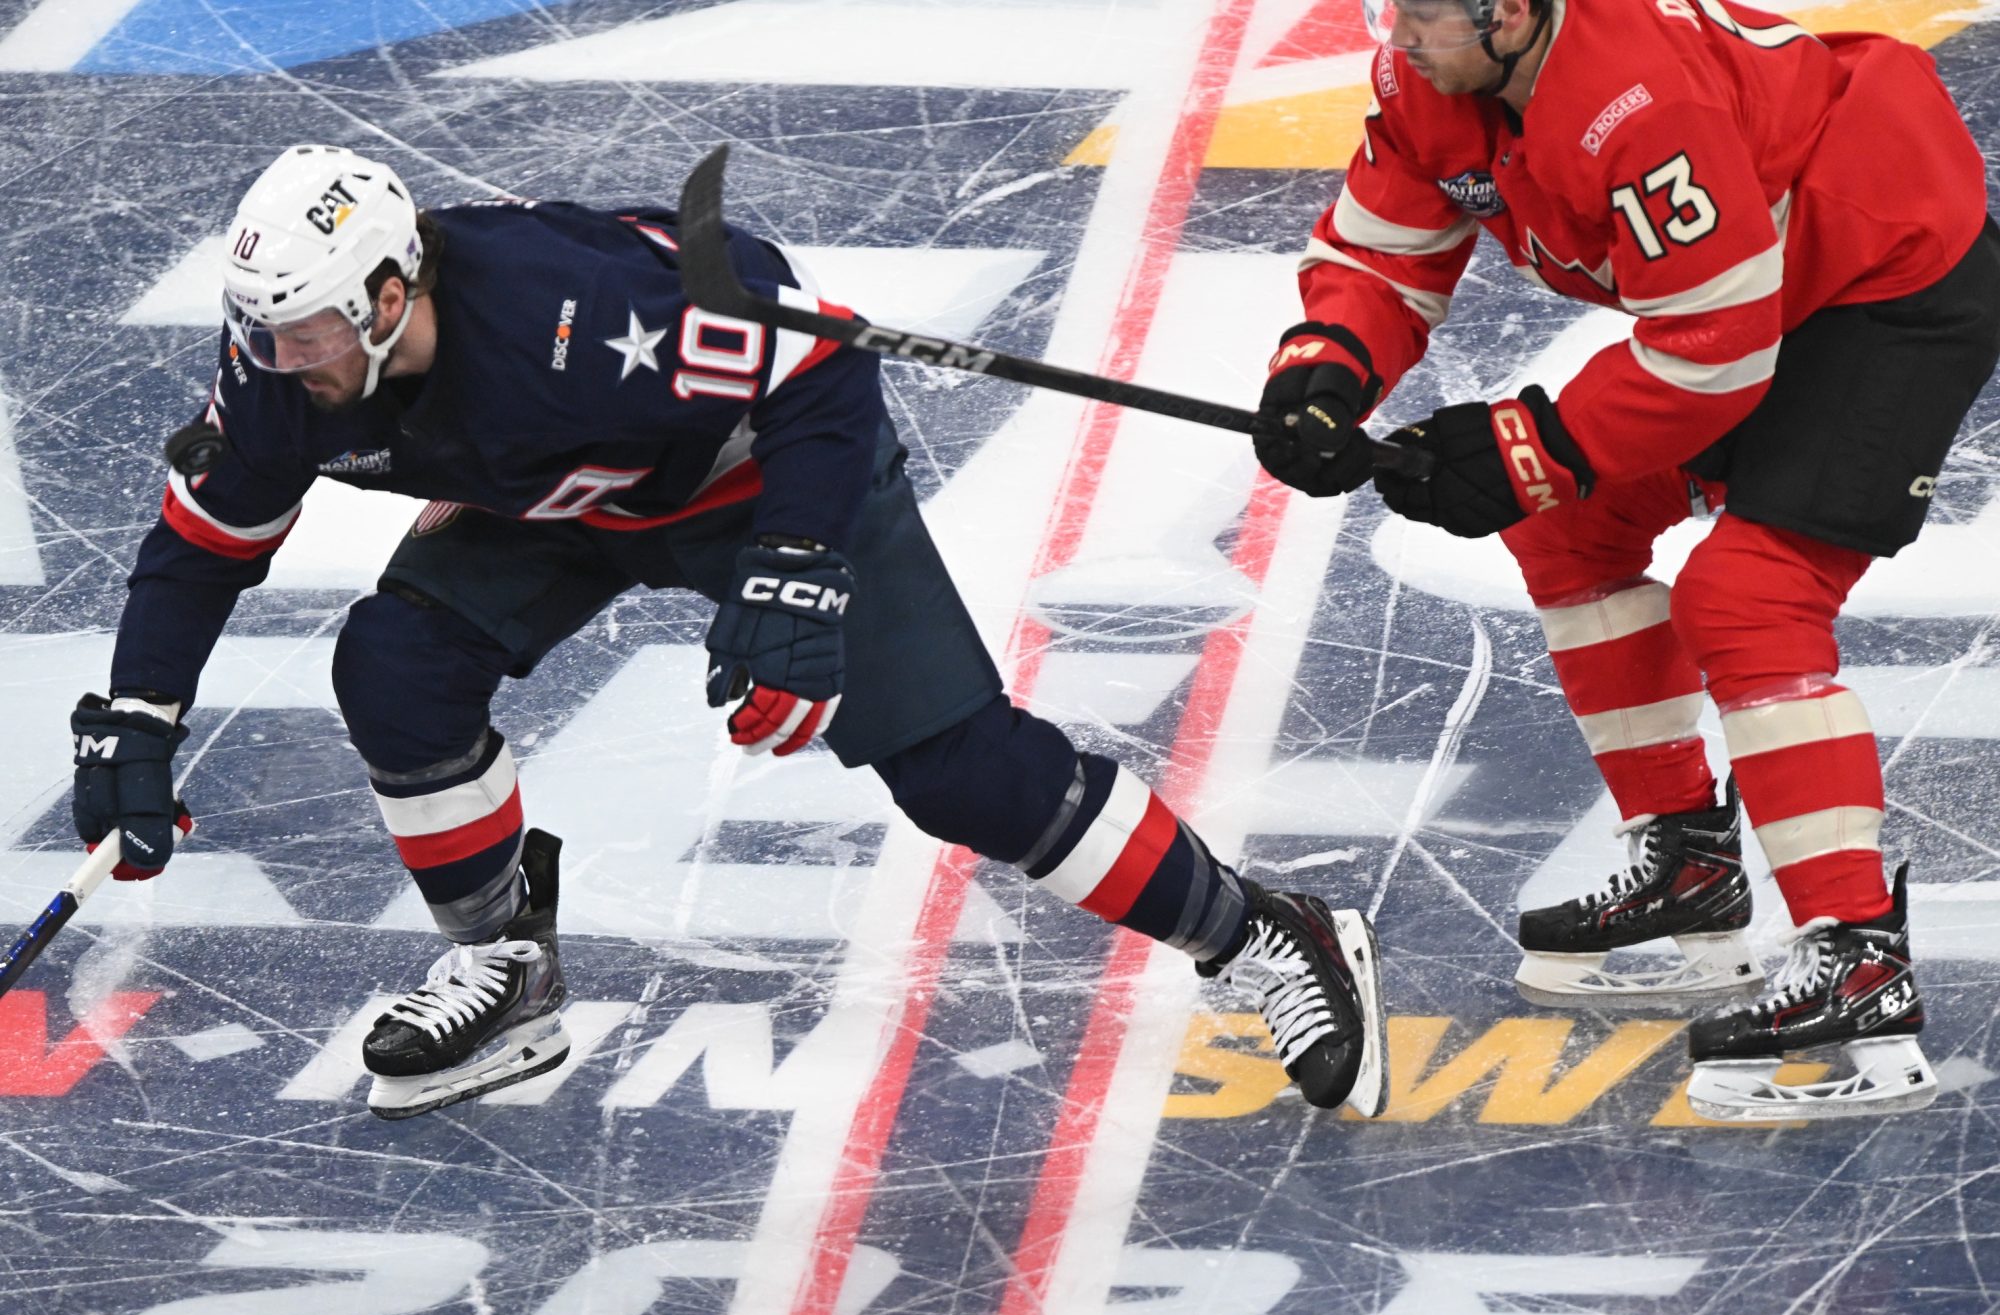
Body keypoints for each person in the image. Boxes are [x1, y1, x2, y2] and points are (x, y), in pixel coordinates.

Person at [71, 144, 1388, 1120]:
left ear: (385, 290)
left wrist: (797, 575)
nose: (272, 358)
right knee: (395, 664)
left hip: (761, 478)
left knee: (956, 773)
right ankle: (503, 965)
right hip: (551, 498)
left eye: (298, 329)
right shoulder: (284, 379)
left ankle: (1262, 933)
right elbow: (202, 548)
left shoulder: (567, 321)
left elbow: (817, 367)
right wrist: (140, 715)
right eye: (259, 327)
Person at [1253, 0, 2000, 1118]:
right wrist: (1324, 370)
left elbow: (1715, 348)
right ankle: (1689, 868)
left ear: (1506, 14)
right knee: (1565, 525)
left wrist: (1526, 446)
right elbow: (1378, 250)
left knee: (1747, 593)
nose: (1391, 37)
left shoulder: (1642, 105)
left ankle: (1856, 959)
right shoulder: (1435, 83)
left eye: (1414, 14)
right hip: (1764, 283)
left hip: (1883, 272)